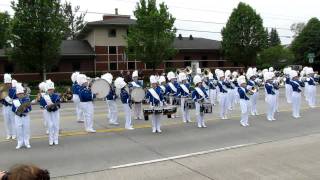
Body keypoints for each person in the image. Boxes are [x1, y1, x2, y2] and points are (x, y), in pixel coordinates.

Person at [40, 80, 61, 146]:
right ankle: (51, 140)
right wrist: (47, 107)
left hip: (55, 112)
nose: (51, 90)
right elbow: (42, 105)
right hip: (48, 112)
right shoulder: (44, 97)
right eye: (49, 89)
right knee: (50, 126)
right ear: (47, 90)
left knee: (56, 125)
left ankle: (56, 139)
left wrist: (55, 107)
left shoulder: (56, 96)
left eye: (52, 89)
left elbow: (58, 104)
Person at [12, 83, 32, 149]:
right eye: (19, 94)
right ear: (17, 95)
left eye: (21, 94)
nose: (20, 95)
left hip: (25, 116)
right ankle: (20, 142)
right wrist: (18, 110)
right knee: (18, 130)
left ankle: (27, 142)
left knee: (26, 129)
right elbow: (13, 109)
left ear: (23, 94)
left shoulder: (26, 99)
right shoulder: (15, 101)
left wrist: (26, 109)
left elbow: (30, 108)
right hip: (18, 117)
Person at [1, 74, 16, 140]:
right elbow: (1, 99)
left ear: (11, 83)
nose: (8, 84)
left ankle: (14, 134)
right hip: (5, 107)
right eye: (6, 83)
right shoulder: (2, 91)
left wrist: (11, 101)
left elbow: (16, 99)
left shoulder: (14, 91)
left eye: (9, 83)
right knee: (6, 121)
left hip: (11, 107)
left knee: (13, 121)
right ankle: (8, 134)